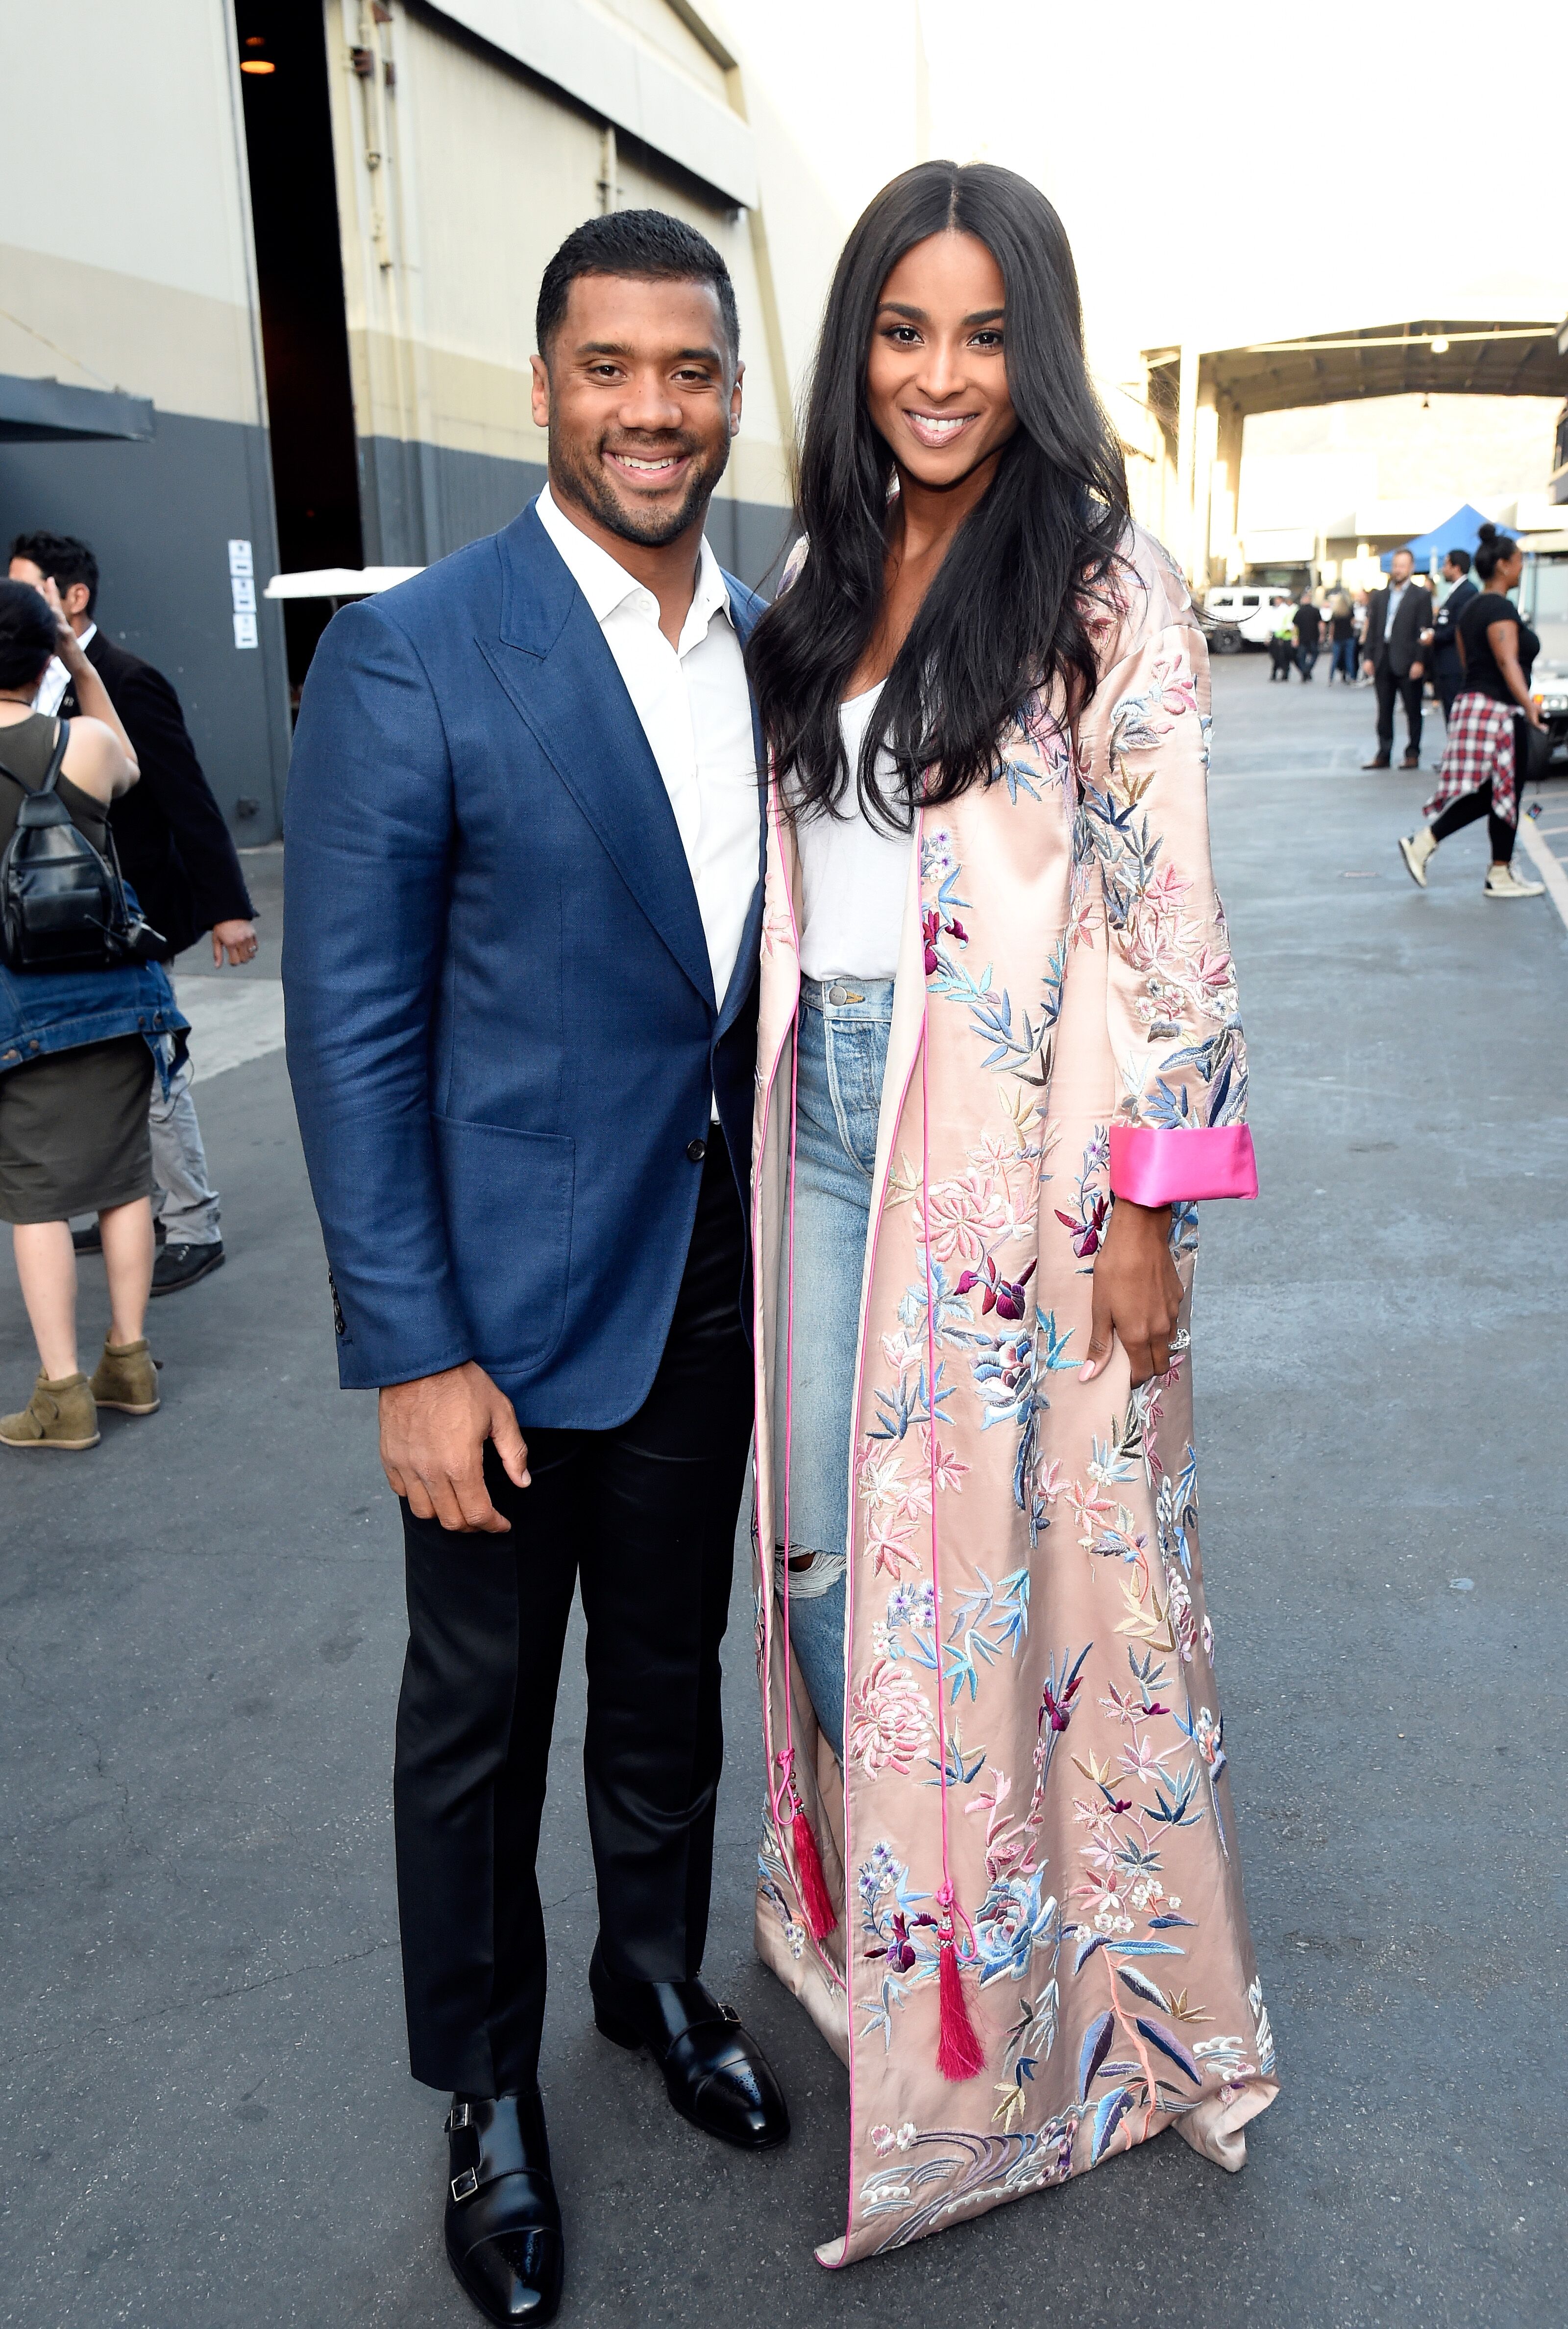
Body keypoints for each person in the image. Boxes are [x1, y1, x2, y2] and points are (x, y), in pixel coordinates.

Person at [742, 160, 1277, 2269]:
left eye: (978, 332)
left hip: (1022, 1158)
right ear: (858, 343)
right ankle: (913, 1942)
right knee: (814, 1560)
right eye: (900, 328)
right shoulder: (818, 564)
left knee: (1032, 1594)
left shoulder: (1102, 584)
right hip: (821, 1119)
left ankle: (1067, 2023)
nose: (938, 374)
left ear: (1030, 346)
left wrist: (1153, 1206)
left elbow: (1176, 918)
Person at [283, 209, 787, 2328]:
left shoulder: (774, 648)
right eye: (611, 368)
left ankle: (651, 1975)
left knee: (665, 1682)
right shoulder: (416, 651)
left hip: (707, 1289)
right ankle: (486, 2100)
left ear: (728, 391)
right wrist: (408, 1347)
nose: (652, 407)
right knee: (480, 1727)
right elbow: (353, 1027)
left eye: (689, 369)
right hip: (489, 1331)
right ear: (544, 385)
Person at [8, 531, 258, 1295]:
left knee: (151, 1077)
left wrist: (230, 910)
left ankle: (192, 1224)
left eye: (26, 587)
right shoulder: (32, 683)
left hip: (130, 913)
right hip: (56, 921)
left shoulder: (126, 679)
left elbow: (185, 795)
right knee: (110, 1074)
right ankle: (135, 1206)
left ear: (71, 598)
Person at [0, 579, 187, 1449]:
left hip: (18, 1007)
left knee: (37, 1198)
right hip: (115, 993)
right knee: (123, 1180)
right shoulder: (83, 745)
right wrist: (77, 662)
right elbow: (133, 763)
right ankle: (130, 1361)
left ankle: (64, 1394)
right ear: (44, 653)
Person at [1398, 523, 1544, 899]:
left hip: (1474, 704)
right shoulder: (1498, 607)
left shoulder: (1469, 609)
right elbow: (1507, 660)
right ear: (1503, 565)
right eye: (1518, 561)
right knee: (1505, 789)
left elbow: (1468, 661)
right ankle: (1494, 871)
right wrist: (1530, 708)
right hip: (1499, 709)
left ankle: (1442, 848)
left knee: (1494, 790)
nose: (1522, 567)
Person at [1361, 545, 1429, 766]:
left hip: (1408, 661)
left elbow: (1424, 630)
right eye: (1395, 566)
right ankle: (1384, 752)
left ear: (1411, 568)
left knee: (1412, 710)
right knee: (1384, 710)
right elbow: (1373, 629)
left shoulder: (1421, 597)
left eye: (1402, 566)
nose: (1398, 570)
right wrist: (1369, 657)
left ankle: (1412, 753)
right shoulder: (1380, 597)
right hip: (1383, 659)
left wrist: (1420, 660)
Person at [1421, 547, 1478, 720]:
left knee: (1456, 714)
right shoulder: (1456, 592)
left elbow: (1458, 627)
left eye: (1446, 565)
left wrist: (1435, 637)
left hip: (1455, 665)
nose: (1443, 569)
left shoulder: (1467, 592)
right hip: (1445, 664)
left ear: (1457, 568)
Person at [1326, 589, 1357, 683]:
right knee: (1349, 658)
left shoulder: (1336, 613)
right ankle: (1352, 677)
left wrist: (1331, 636)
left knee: (1335, 658)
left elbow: (1332, 626)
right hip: (1349, 637)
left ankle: (1331, 678)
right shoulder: (1350, 611)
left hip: (1338, 637)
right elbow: (1353, 623)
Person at [1292, 588, 1323, 679]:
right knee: (1315, 655)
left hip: (1302, 638)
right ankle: (1308, 670)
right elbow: (1321, 624)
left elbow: (1295, 627)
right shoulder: (1315, 611)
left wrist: (1295, 638)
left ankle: (1305, 671)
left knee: (1302, 657)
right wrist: (1322, 635)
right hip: (1314, 637)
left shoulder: (1299, 612)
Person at [1267, 600, 1296, 681]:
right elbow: (1272, 625)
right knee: (1279, 657)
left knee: (1282, 658)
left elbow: (1288, 626)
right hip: (1279, 637)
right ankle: (1281, 674)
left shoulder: (1285, 611)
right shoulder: (1278, 611)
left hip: (1282, 638)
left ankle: (1281, 674)